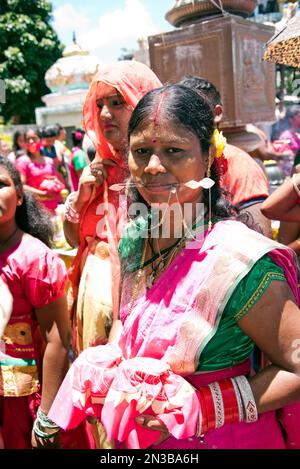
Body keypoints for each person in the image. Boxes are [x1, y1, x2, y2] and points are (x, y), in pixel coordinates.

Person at [49, 85, 300, 449]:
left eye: (173, 151)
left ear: (207, 159)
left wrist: (203, 407)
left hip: (221, 438)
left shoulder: (239, 260)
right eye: (141, 152)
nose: (153, 167)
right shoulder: (137, 235)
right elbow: (128, 317)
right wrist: (114, 363)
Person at [62, 60, 162, 448]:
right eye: (100, 103)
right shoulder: (98, 167)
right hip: (91, 313)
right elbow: (74, 239)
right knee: (98, 408)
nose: (105, 114)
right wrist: (83, 196)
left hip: (138, 310)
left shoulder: (161, 169)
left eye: (117, 102)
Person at [0, 156, 92, 449]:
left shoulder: (35, 259)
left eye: (0, 185)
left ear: (19, 194)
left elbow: (58, 341)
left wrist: (47, 417)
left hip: (30, 399)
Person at [178, 76, 272, 237]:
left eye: (195, 110)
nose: (187, 119)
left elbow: (261, 240)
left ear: (217, 114)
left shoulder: (239, 164)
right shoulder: (173, 163)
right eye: (180, 112)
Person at [15, 129, 65, 213]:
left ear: (41, 140)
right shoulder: (22, 161)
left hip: (53, 206)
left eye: (34, 138)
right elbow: (20, 186)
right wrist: (42, 194)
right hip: (35, 209)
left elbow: (55, 179)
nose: (31, 141)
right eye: (27, 139)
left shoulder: (49, 160)